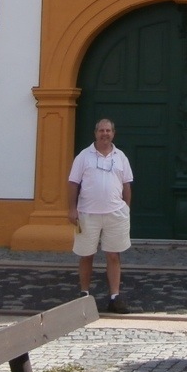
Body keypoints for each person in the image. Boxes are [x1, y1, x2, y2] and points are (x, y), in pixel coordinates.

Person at [67, 117, 134, 314]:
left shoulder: (121, 157)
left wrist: (126, 208)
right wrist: (72, 208)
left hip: (115, 214)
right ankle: (84, 294)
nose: (105, 134)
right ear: (95, 133)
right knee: (86, 254)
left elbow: (126, 184)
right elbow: (73, 183)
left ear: (113, 133)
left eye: (108, 131)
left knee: (113, 255)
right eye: (101, 130)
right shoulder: (83, 156)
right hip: (87, 214)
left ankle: (115, 297)